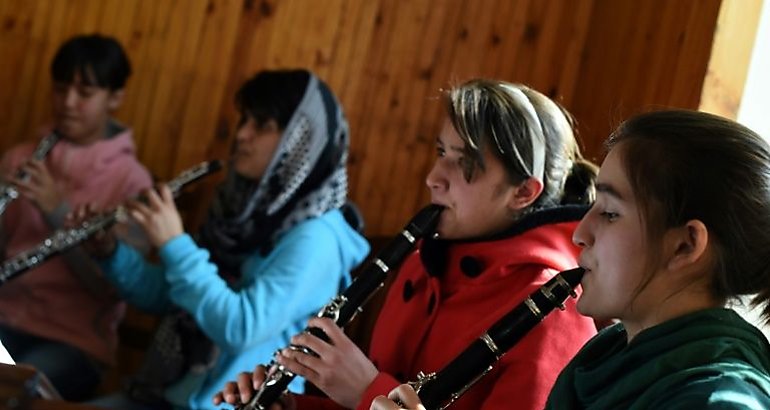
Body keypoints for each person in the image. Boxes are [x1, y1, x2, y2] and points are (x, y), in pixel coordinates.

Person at [215, 79, 599, 410]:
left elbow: (370, 398)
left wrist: (369, 392)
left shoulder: (556, 313)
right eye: (441, 153)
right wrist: (292, 405)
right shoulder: (422, 264)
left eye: (463, 162)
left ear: (523, 192)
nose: (434, 177)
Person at [370, 110, 770, 410]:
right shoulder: (608, 355)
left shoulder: (719, 401)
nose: (580, 233)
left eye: (610, 213)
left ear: (685, 245)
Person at [83, 69, 370, 410]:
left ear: (300, 141)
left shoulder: (317, 239)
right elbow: (170, 296)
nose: (242, 135)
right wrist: (112, 252)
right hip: (168, 395)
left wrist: (175, 243)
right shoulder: (240, 212)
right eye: (244, 120)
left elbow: (241, 327)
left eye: (262, 125)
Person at [0, 33, 152, 401]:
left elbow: (108, 287)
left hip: (74, 341)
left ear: (114, 98)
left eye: (85, 93)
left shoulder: (133, 182)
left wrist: (56, 210)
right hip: (6, 318)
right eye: (61, 88)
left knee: (14, 397)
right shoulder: (22, 158)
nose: (68, 103)